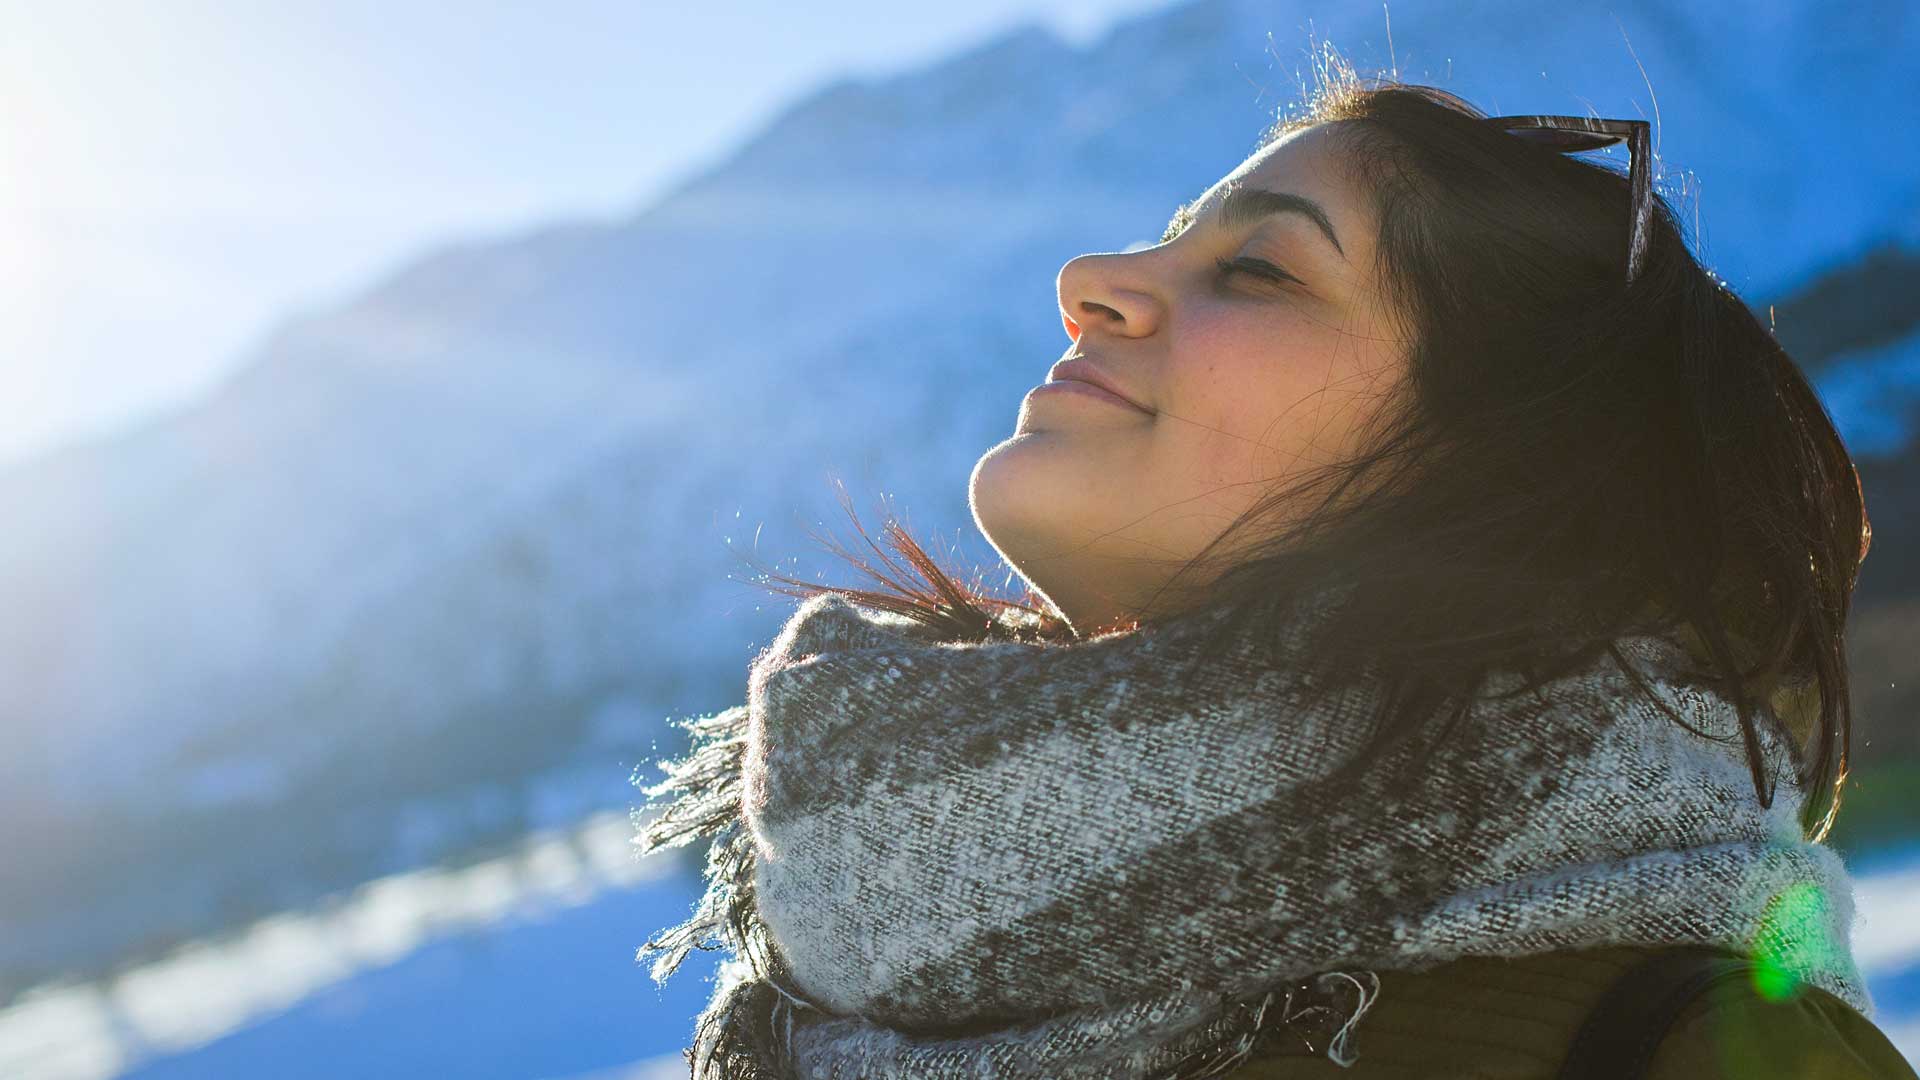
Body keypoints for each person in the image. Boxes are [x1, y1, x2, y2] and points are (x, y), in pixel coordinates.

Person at [634, 57, 1915, 1080]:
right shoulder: (828, 983)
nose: (1089, 281)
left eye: (1258, 268)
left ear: (1489, 469)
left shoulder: (1692, 1045)